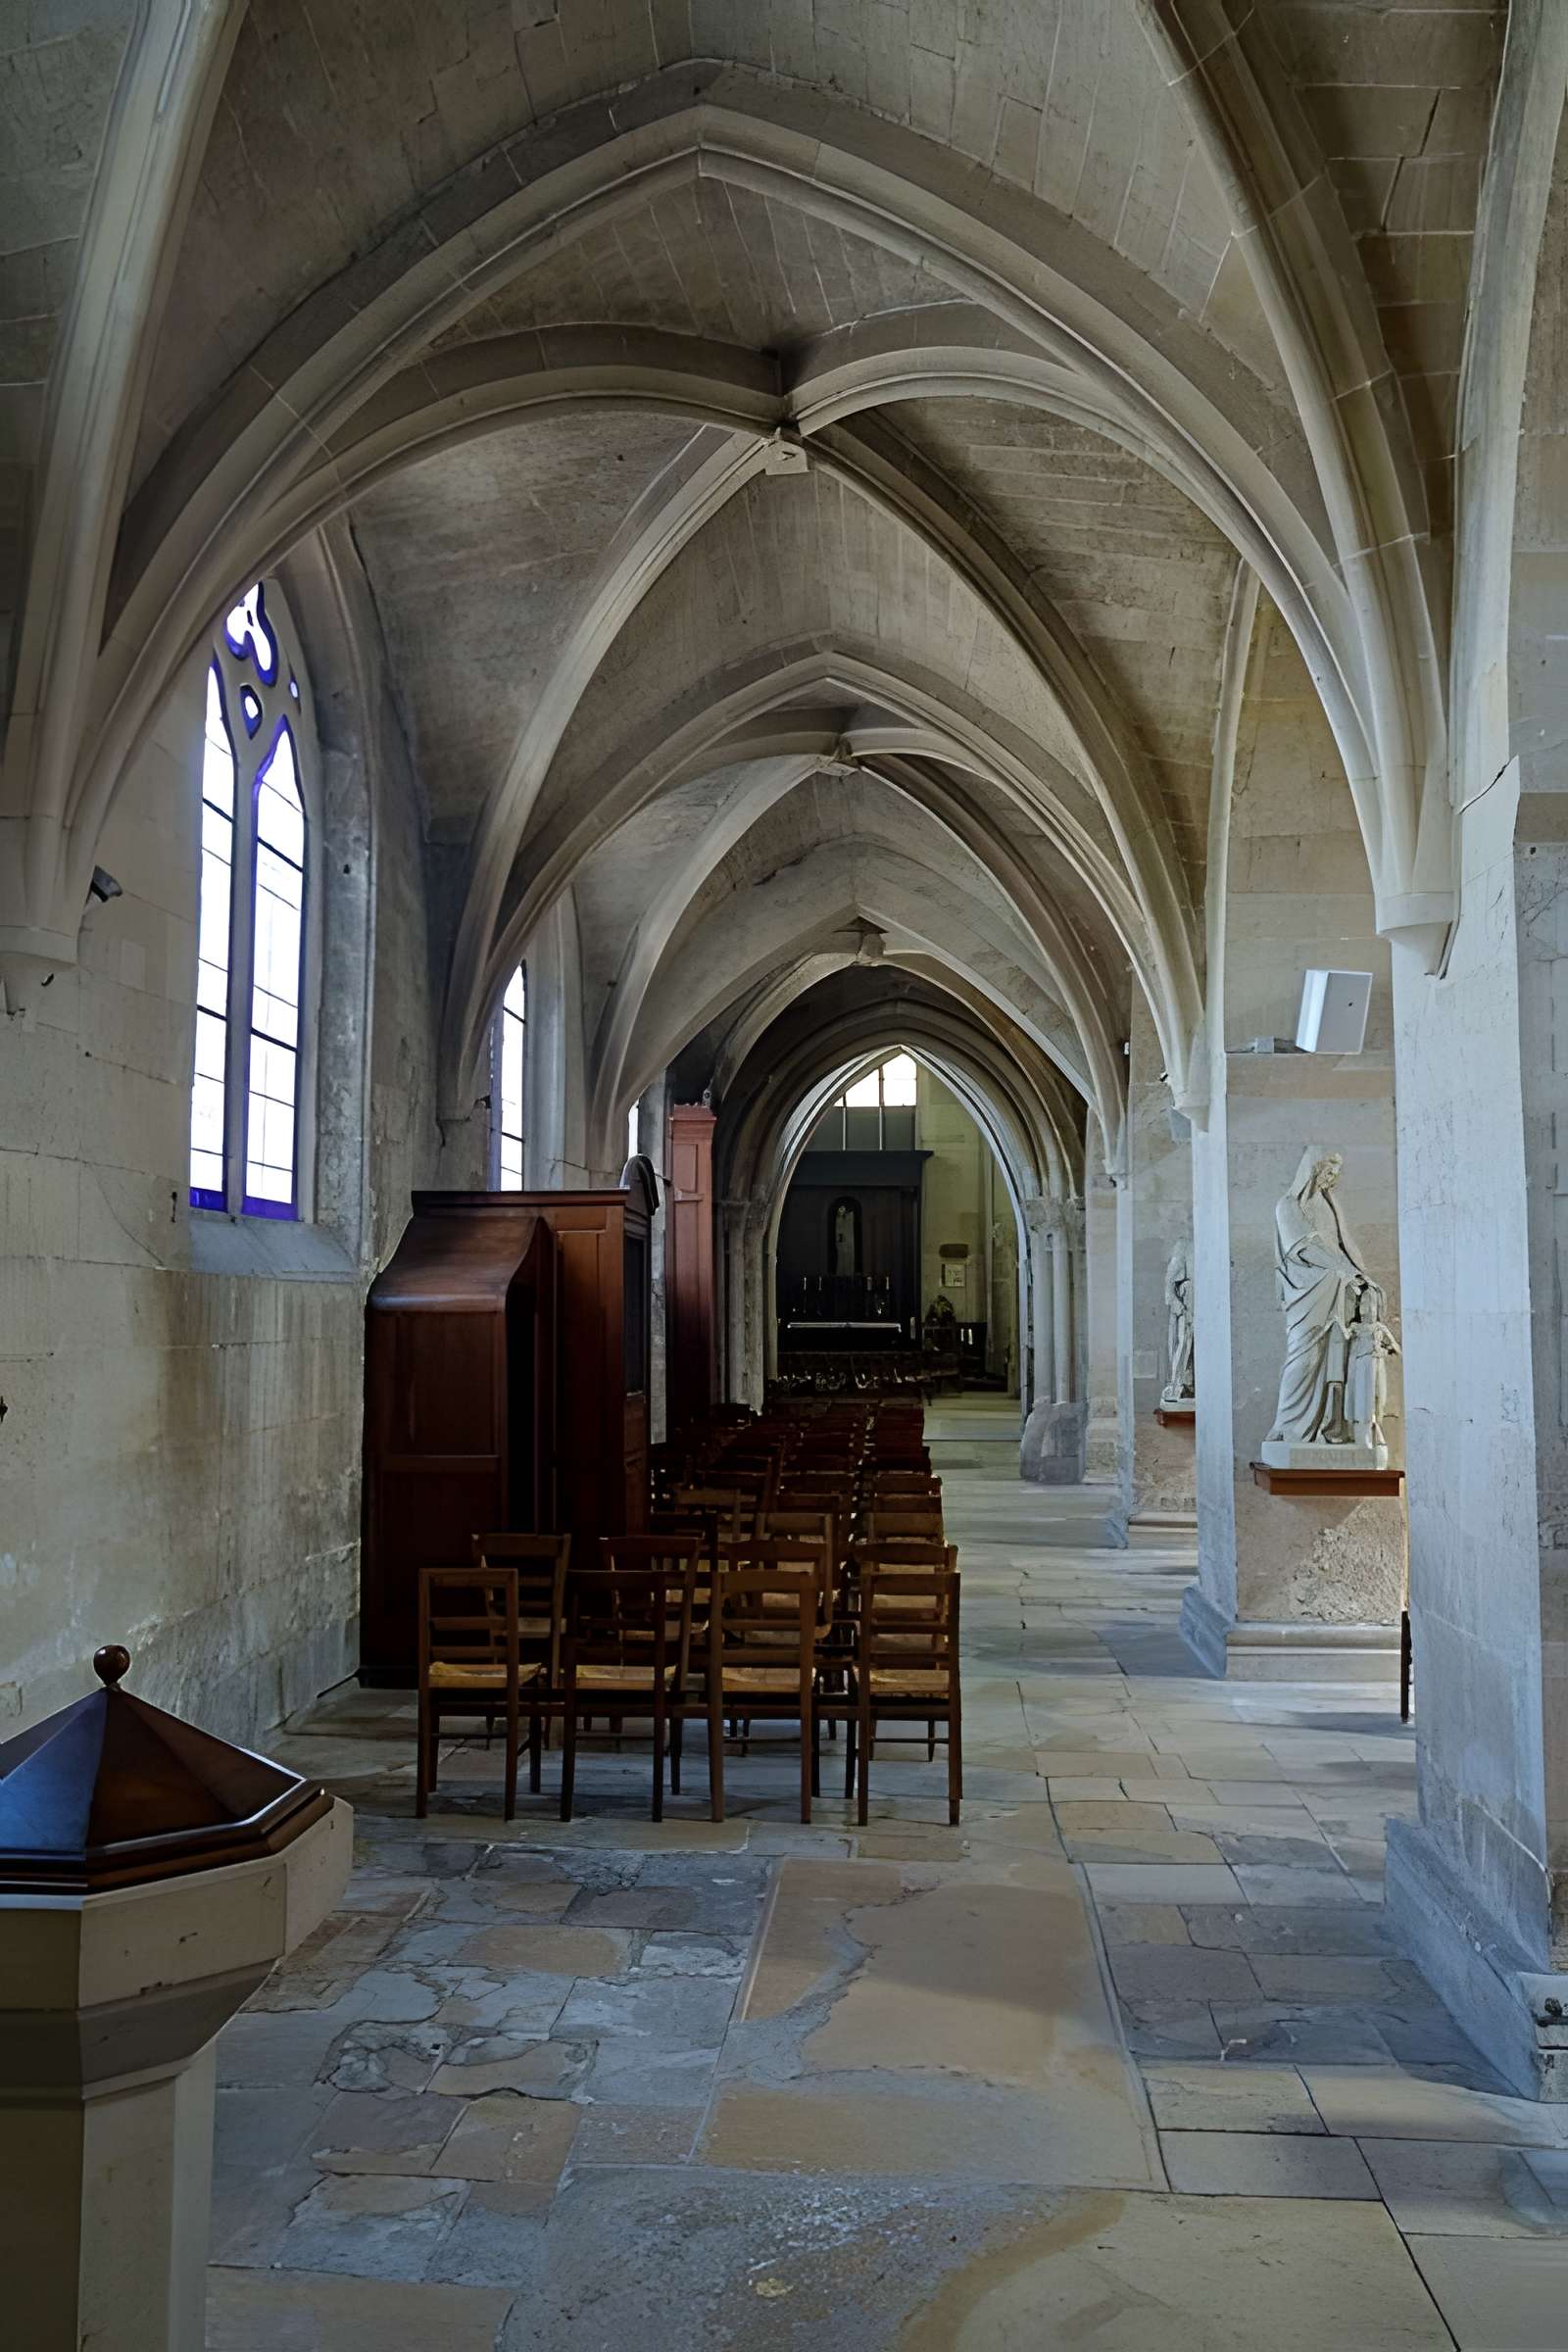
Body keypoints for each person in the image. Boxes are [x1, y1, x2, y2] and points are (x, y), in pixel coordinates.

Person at [1265, 1147, 1382, 1446]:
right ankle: (1287, 1426)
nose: (1332, 1178)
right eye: (1328, 1171)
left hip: (1337, 1291)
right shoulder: (1287, 1205)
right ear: (1312, 1170)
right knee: (1303, 1357)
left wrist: (1359, 1274)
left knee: (1336, 1360)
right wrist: (1345, 1269)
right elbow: (1304, 1248)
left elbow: (1344, 1244)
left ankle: (1330, 1427)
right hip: (1306, 1294)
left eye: (1335, 1173)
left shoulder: (1329, 1204)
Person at [1346, 1287, 1400, 1451]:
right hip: (1360, 1365)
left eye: (1370, 1304)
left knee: (1373, 1399)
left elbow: (1396, 1348)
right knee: (1359, 1399)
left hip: (1374, 1364)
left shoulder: (1379, 1327)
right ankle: (1360, 1434)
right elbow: (1346, 1336)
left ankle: (1372, 1432)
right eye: (1363, 1303)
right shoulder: (1356, 1326)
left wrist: (1385, 1349)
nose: (1366, 1308)